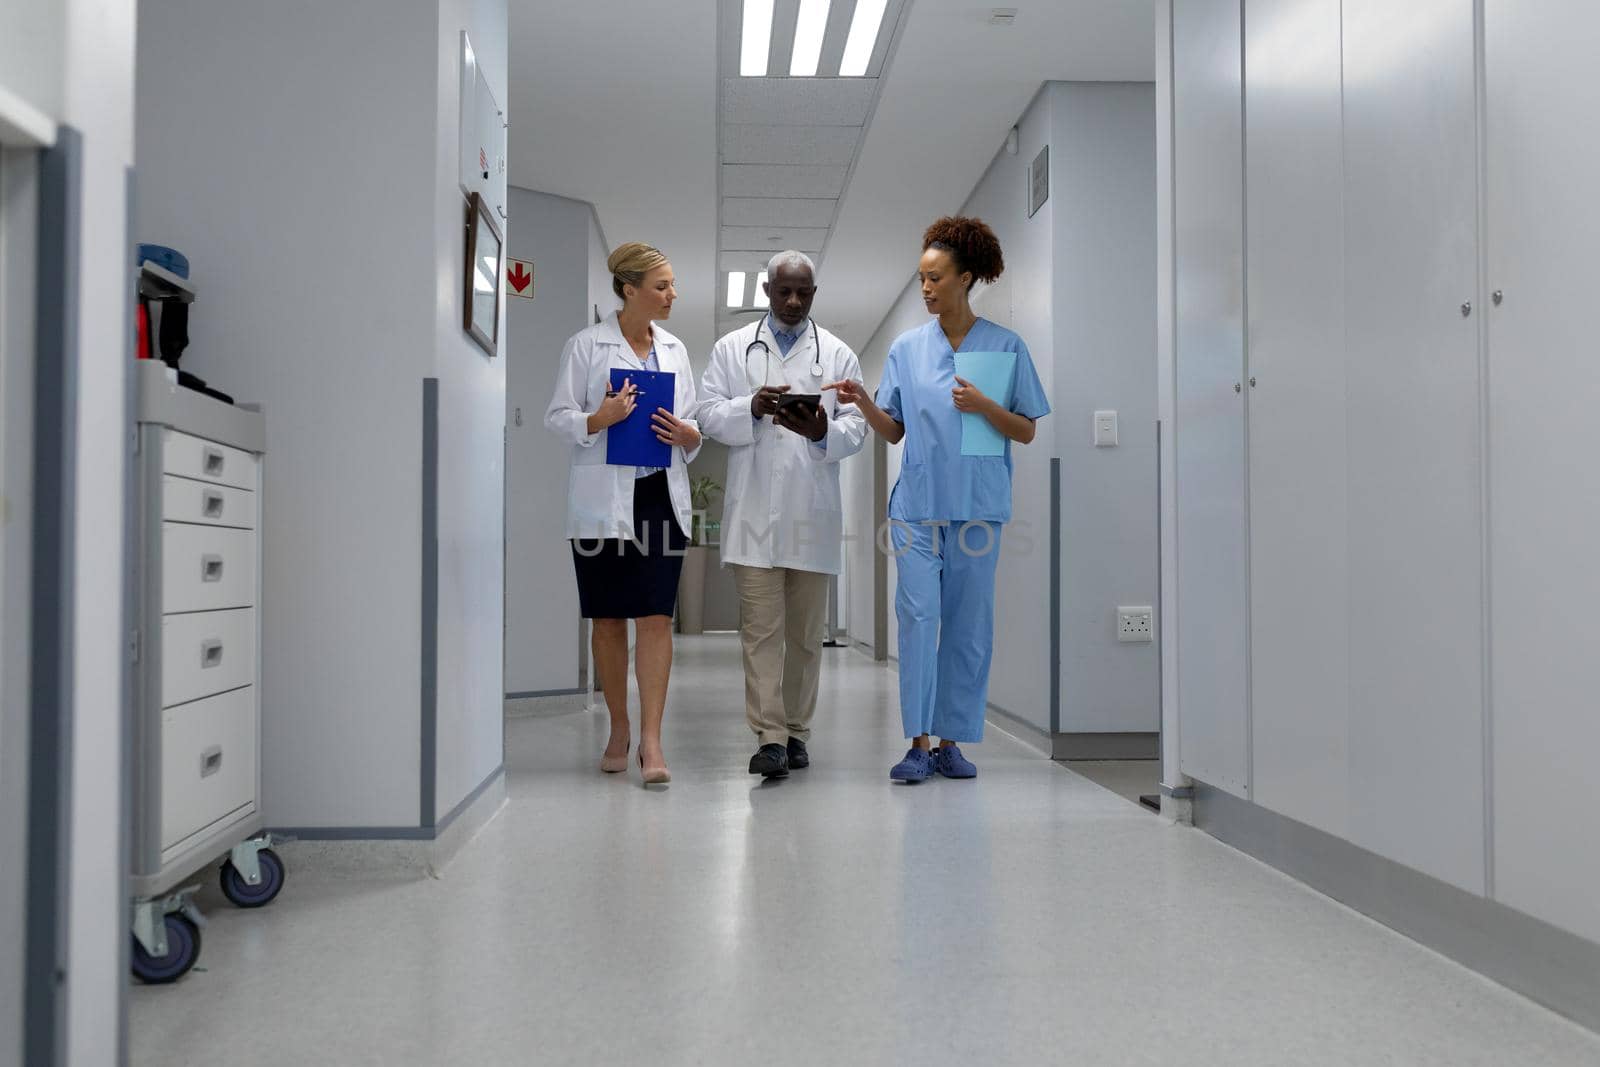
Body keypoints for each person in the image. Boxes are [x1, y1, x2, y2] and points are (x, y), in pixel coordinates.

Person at [829, 217, 1050, 783]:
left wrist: (984, 407)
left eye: (935, 278)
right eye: (921, 278)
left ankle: (952, 741)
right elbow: (894, 430)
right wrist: (861, 401)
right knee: (918, 616)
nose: (925, 288)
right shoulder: (907, 349)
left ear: (966, 278)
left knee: (968, 625)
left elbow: (1025, 431)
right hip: (918, 507)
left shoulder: (1006, 346)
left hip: (978, 507)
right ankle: (917, 743)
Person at [696, 251, 867, 778]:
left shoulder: (838, 354)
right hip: (753, 518)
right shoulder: (731, 349)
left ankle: (797, 731)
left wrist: (823, 433)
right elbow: (704, 415)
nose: (793, 301)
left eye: (804, 292)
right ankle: (769, 737)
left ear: (814, 294)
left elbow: (858, 425)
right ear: (767, 291)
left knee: (806, 637)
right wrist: (748, 407)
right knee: (761, 634)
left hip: (811, 516)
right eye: (784, 291)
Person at [544, 242, 702, 786]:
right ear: (629, 290)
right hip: (603, 502)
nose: (671, 295)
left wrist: (691, 436)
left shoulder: (676, 350)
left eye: (672, 285)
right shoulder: (586, 346)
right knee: (609, 618)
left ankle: (652, 741)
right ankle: (618, 728)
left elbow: (692, 425)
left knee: (656, 617)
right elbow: (557, 417)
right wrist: (599, 417)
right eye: (662, 286)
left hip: (658, 495)